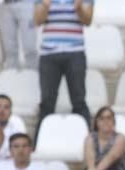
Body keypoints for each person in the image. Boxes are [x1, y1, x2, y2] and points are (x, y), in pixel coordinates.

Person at [34, 0, 93, 138]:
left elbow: (88, 20)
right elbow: (37, 20)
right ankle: (38, 144)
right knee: (47, 103)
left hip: (75, 52)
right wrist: (45, 5)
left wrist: (78, 8)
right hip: (49, 53)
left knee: (79, 100)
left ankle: (88, 143)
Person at [0, 0, 37, 70]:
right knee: (9, 48)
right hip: (3, 4)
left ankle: (32, 74)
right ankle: (11, 75)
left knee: (29, 46)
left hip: (26, 3)